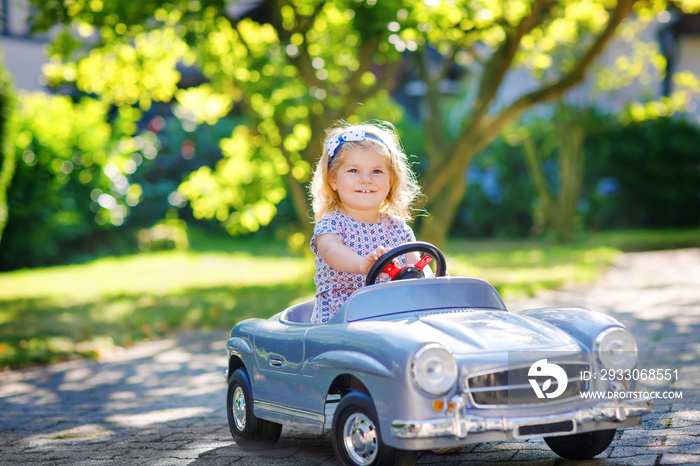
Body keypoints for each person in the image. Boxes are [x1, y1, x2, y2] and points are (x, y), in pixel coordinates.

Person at [308, 121, 423, 323]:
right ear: (333, 179)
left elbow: (417, 269)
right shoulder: (331, 225)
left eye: (376, 171)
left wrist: (432, 280)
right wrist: (362, 264)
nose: (366, 179)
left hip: (393, 320)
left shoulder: (399, 229)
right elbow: (331, 252)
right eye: (353, 170)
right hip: (341, 324)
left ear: (391, 180)